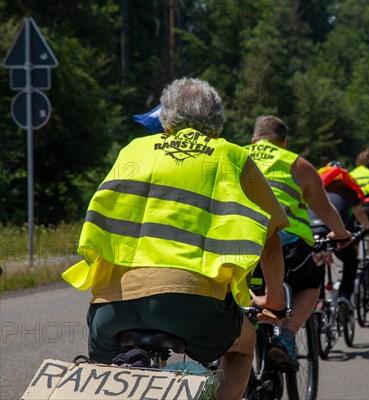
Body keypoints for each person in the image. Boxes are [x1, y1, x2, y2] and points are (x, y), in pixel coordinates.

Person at [62, 78, 289, 400]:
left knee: (108, 379)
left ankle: (131, 362)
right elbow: (271, 241)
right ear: (218, 120)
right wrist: (276, 303)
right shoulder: (232, 156)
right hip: (189, 302)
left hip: (110, 307)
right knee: (243, 347)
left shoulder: (134, 149)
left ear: (165, 118)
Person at [245, 116, 351, 372]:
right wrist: (341, 233)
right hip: (287, 247)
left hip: (239, 247)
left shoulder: (235, 155)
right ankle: (287, 336)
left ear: (254, 139)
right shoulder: (296, 163)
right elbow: (324, 209)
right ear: (284, 141)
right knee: (311, 283)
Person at [310, 160, 369, 303]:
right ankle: (345, 297)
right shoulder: (348, 188)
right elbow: (360, 214)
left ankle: (319, 304)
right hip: (333, 232)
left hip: (311, 231)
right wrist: (368, 228)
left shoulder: (315, 187)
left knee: (317, 263)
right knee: (351, 261)